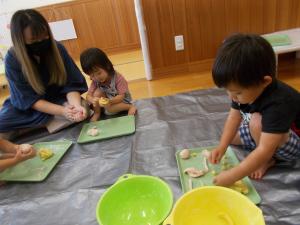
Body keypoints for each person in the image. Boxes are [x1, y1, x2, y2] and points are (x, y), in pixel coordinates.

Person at [208, 33, 300, 187]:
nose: (232, 97)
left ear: (265, 82)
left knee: (256, 122)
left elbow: (264, 148)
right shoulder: (243, 89)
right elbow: (233, 118)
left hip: (292, 140)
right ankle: (258, 151)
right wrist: (222, 146)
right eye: (228, 91)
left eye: (237, 92)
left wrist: (232, 176)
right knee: (233, 137)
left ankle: (268, 161)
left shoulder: (279, 102)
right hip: (266, 129)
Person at [0, 9, 88, 139]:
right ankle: (49, 122)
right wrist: (63, 111)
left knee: (82, 108)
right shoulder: (12, 59)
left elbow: (71, 84)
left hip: (58, 98)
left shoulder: (57, 48)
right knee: (2, 123)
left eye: (45, 36)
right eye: (34, 40)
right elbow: (27, 99)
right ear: (21, 40)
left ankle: (33, 127)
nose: (41, 42)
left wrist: (75, 106)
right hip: (28, 107)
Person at [80, 48, 136, 121]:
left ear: (107, 66)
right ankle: (97, 113)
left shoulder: (118, 78)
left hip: (121, 100)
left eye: (99, 73)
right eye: (92, 75)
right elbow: (88, 95)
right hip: (108, 100)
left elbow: (121, 97)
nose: (97, 78)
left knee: (109, 110)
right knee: (97, 93)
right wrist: (92, 99)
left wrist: (109, 102)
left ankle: (130, 107)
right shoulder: (95, 80)